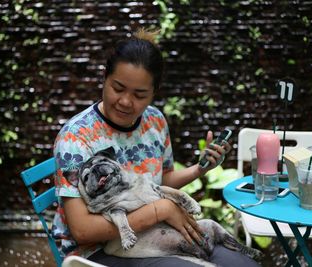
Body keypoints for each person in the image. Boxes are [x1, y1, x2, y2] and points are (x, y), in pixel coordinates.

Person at [52, 28, 260, 267]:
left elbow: (163, 180)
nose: (126, 101)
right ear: (105, 78)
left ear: (154, 93)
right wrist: (159, 211)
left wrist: (199, 170)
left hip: (156, 233)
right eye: (118, 88)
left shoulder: (155, 121)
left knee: (245, 265)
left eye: (139, 94)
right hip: (99, 251)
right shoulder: (76, 137)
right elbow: (83, 231)